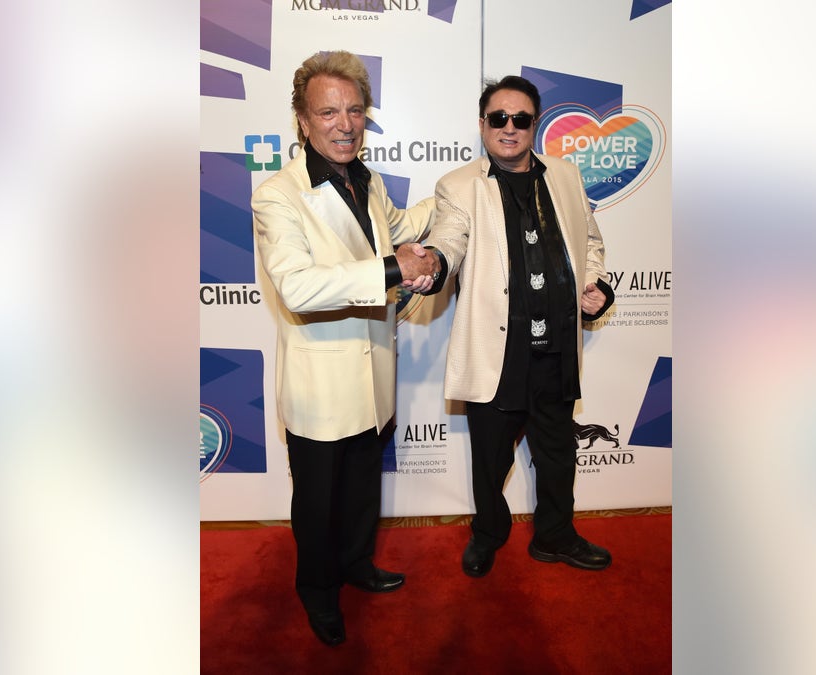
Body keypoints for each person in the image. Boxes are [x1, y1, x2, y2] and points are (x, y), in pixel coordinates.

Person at [250, 50, 438, 647]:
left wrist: (462, 191)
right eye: (328, 111)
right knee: (317, 505)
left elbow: (399, 229)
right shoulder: (278, 195)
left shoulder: (368, 180)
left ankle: (357, 566)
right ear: (302, 121)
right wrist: (389, 268)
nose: (345, 123)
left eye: (355, 109)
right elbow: (298, 287)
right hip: (321, 384)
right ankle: (318, 591)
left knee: (361, 490)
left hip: (374, 372)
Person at [423, 75, 615, 578]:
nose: (509, 128)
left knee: (557, 453)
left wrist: (596, 285)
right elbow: (450, 238)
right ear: (483, 124)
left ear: (535, 125)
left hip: (556, 349)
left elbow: (590, 243)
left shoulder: (568, 177)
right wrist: (436, 265)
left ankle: (555, 536)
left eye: (521, 119)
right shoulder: (458, 186)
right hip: (497, 353)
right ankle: (488, 534)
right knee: (490, 460)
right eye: (499, 118)